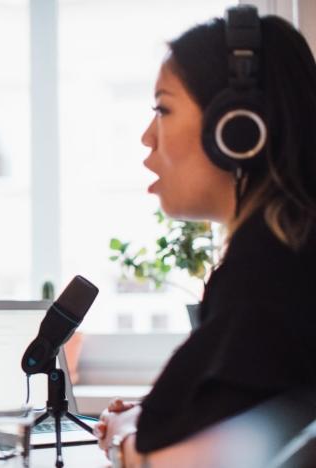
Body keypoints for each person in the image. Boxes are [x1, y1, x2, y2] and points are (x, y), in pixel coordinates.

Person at [93, 6, 316, 468]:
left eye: (163, 109)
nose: (146, 138)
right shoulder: (294, 250)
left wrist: (122, 438)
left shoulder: (268, 271)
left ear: (237, 127)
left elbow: (170, 462)